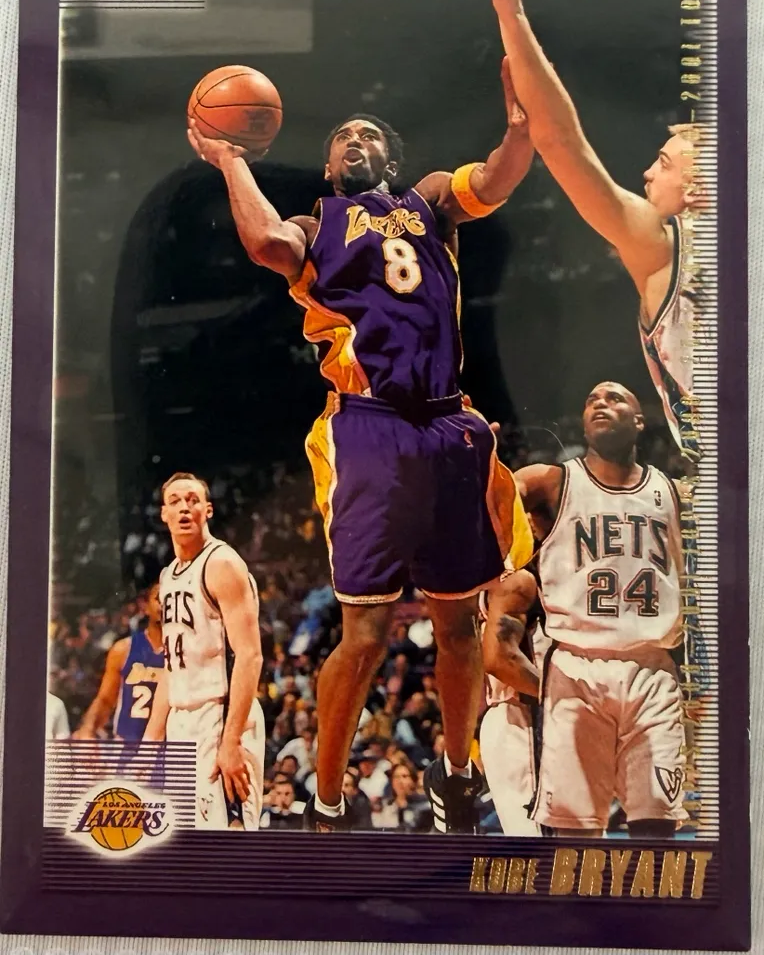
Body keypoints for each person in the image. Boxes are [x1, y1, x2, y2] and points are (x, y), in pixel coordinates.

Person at [187, 46, 536, 834]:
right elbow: (265, 243)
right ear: (327, 165)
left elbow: (499, 179)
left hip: (449, 423)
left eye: (368, 134)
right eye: (342, 137)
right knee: (366, 633)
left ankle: (456, 774)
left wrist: (521, 129)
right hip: (369, 426)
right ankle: (328, 799)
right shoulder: (316, 225)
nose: (355, 141)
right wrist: (231, 161)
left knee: (459, 624)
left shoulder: (432, 201)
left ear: (391, 159)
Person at [485, 0, 705, 460]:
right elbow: (560, 139)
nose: (647, 174)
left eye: (664, 163)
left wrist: (511, 13)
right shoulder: (664, 247)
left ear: (698, 186)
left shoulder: (669, 248)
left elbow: (562, 142)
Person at [512, 382, 686, 837]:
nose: (601, 404)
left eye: (615, 398)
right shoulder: (552, 482)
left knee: (657, 831)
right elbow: (494, 496)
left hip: (652, 669)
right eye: (592, 400)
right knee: (575, 836)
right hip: (576, 666)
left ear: (640, 421)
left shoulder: (671, 492)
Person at [144, 472, 266, 830]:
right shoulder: (168, 576)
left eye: (193, 500)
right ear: (163, 514)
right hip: (182, 722)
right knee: (186, 848)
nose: (184, 508)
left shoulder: (222, 563)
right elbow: (172, 664)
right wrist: (152, 740)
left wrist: (231, 741)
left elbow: (250, 656)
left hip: (221, 717)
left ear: (208, 510)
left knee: (227, 846)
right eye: (175, 501)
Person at [478, 568, 543, 836]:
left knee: (581, 848)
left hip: (542, 717)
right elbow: (500, 660)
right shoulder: (520, 577)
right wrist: (562, 696)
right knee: (539, 846)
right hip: (524, 719)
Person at [73, 584, 164, 741]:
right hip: (127, 746)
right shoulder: (124, 649)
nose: (165, 605)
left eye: (170, 598)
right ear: (144, 606)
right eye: (159, 598)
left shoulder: (188, 652)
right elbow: (105, 700)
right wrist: (88, 728)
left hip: (168, 746)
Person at [373, 763, 432, 833]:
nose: (400, 781)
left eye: (404, 776)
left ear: (413, 780)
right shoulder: (384, 806)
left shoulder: (424, 807)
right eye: (396, 777)